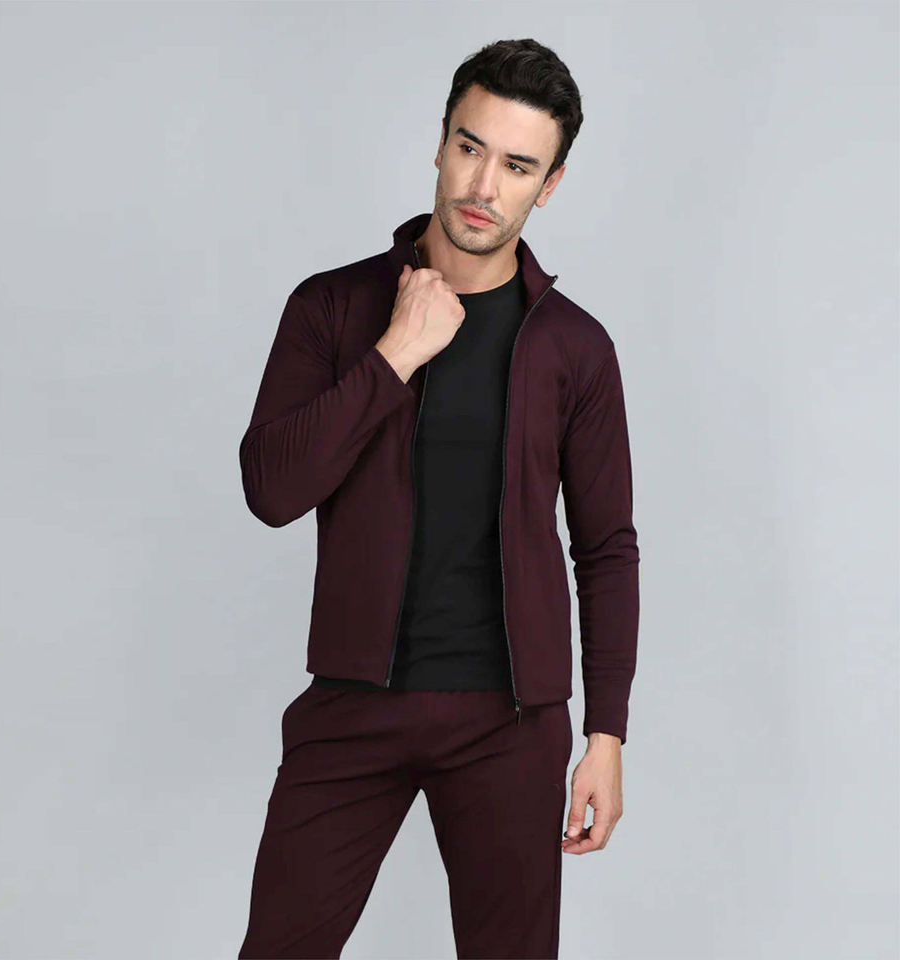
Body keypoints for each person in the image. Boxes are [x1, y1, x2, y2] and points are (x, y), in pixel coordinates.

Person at [236, 37, 640, 960]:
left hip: (510, 725)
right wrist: (395, 355)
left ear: (550, 185)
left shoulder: (576, 349)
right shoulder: (333, 308)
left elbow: (606, 547)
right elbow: (271, 489)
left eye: (518, 166)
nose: (483, 185)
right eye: (470, 147)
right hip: (352, 705)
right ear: (440, 142)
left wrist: (606, 733)